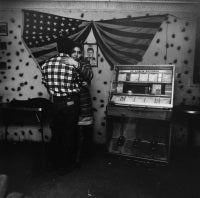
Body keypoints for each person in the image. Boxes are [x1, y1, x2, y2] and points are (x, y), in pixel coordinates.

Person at [41, 37, 93, 172]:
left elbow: (45, 83)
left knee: (56, 133)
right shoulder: (72, 65)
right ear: (69, 50)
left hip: (55, 103)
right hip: (70, 102)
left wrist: (55, 90)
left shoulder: (46, 63)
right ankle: (65, 166)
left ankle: (54, 163)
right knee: (69, 134)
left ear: (57, 48)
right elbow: (79, 82)